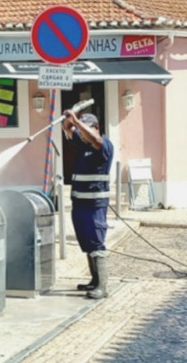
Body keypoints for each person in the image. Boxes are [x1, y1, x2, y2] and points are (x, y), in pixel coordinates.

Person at [62, 108, 114, 299]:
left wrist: (77, 122)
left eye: (85, 129)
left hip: (94, 205)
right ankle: (94, 280)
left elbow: (95, 139)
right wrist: (69, 120)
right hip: (79, 203)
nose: (82, 135)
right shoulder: (84, 144)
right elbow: (67, 129)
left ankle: (102, 286)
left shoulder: (103, 145)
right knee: (86, 242)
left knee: (96, 242)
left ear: (96, 127)